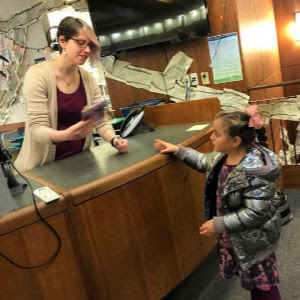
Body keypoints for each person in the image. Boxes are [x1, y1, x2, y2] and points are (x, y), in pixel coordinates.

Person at [154, 105, 282, 300]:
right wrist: (179, 151)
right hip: (238, 235)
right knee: (254, 283)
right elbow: (203, 161)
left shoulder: (255, 171)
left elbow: (256, 213)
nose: (211, 137)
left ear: (235, 141)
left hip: (255, 239)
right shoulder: (223, 157)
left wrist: (219, 223)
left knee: (263, 285)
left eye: (216, 134)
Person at [15, 16, 128, 172]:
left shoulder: (88, 79)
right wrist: (66, 135)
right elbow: (37, 130)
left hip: (81, 163)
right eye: (80, 43)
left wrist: (114, 139)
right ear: (62, 41)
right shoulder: (37, 76)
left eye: (89, 44)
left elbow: (100, 121)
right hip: (44, 168)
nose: (87, 50)